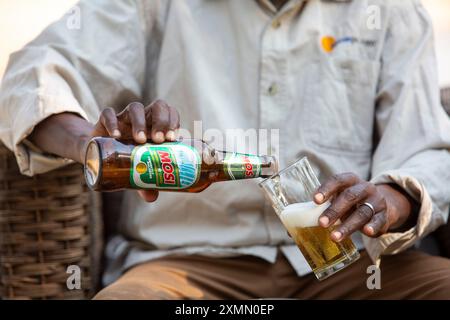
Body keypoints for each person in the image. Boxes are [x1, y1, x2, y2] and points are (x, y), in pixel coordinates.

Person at [1, 0, 450, 299]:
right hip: (185, 268)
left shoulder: (388, 10)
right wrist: (91, 144)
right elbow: (30, 79)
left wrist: (392, 200)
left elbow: (428, 149)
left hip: (353, 267)